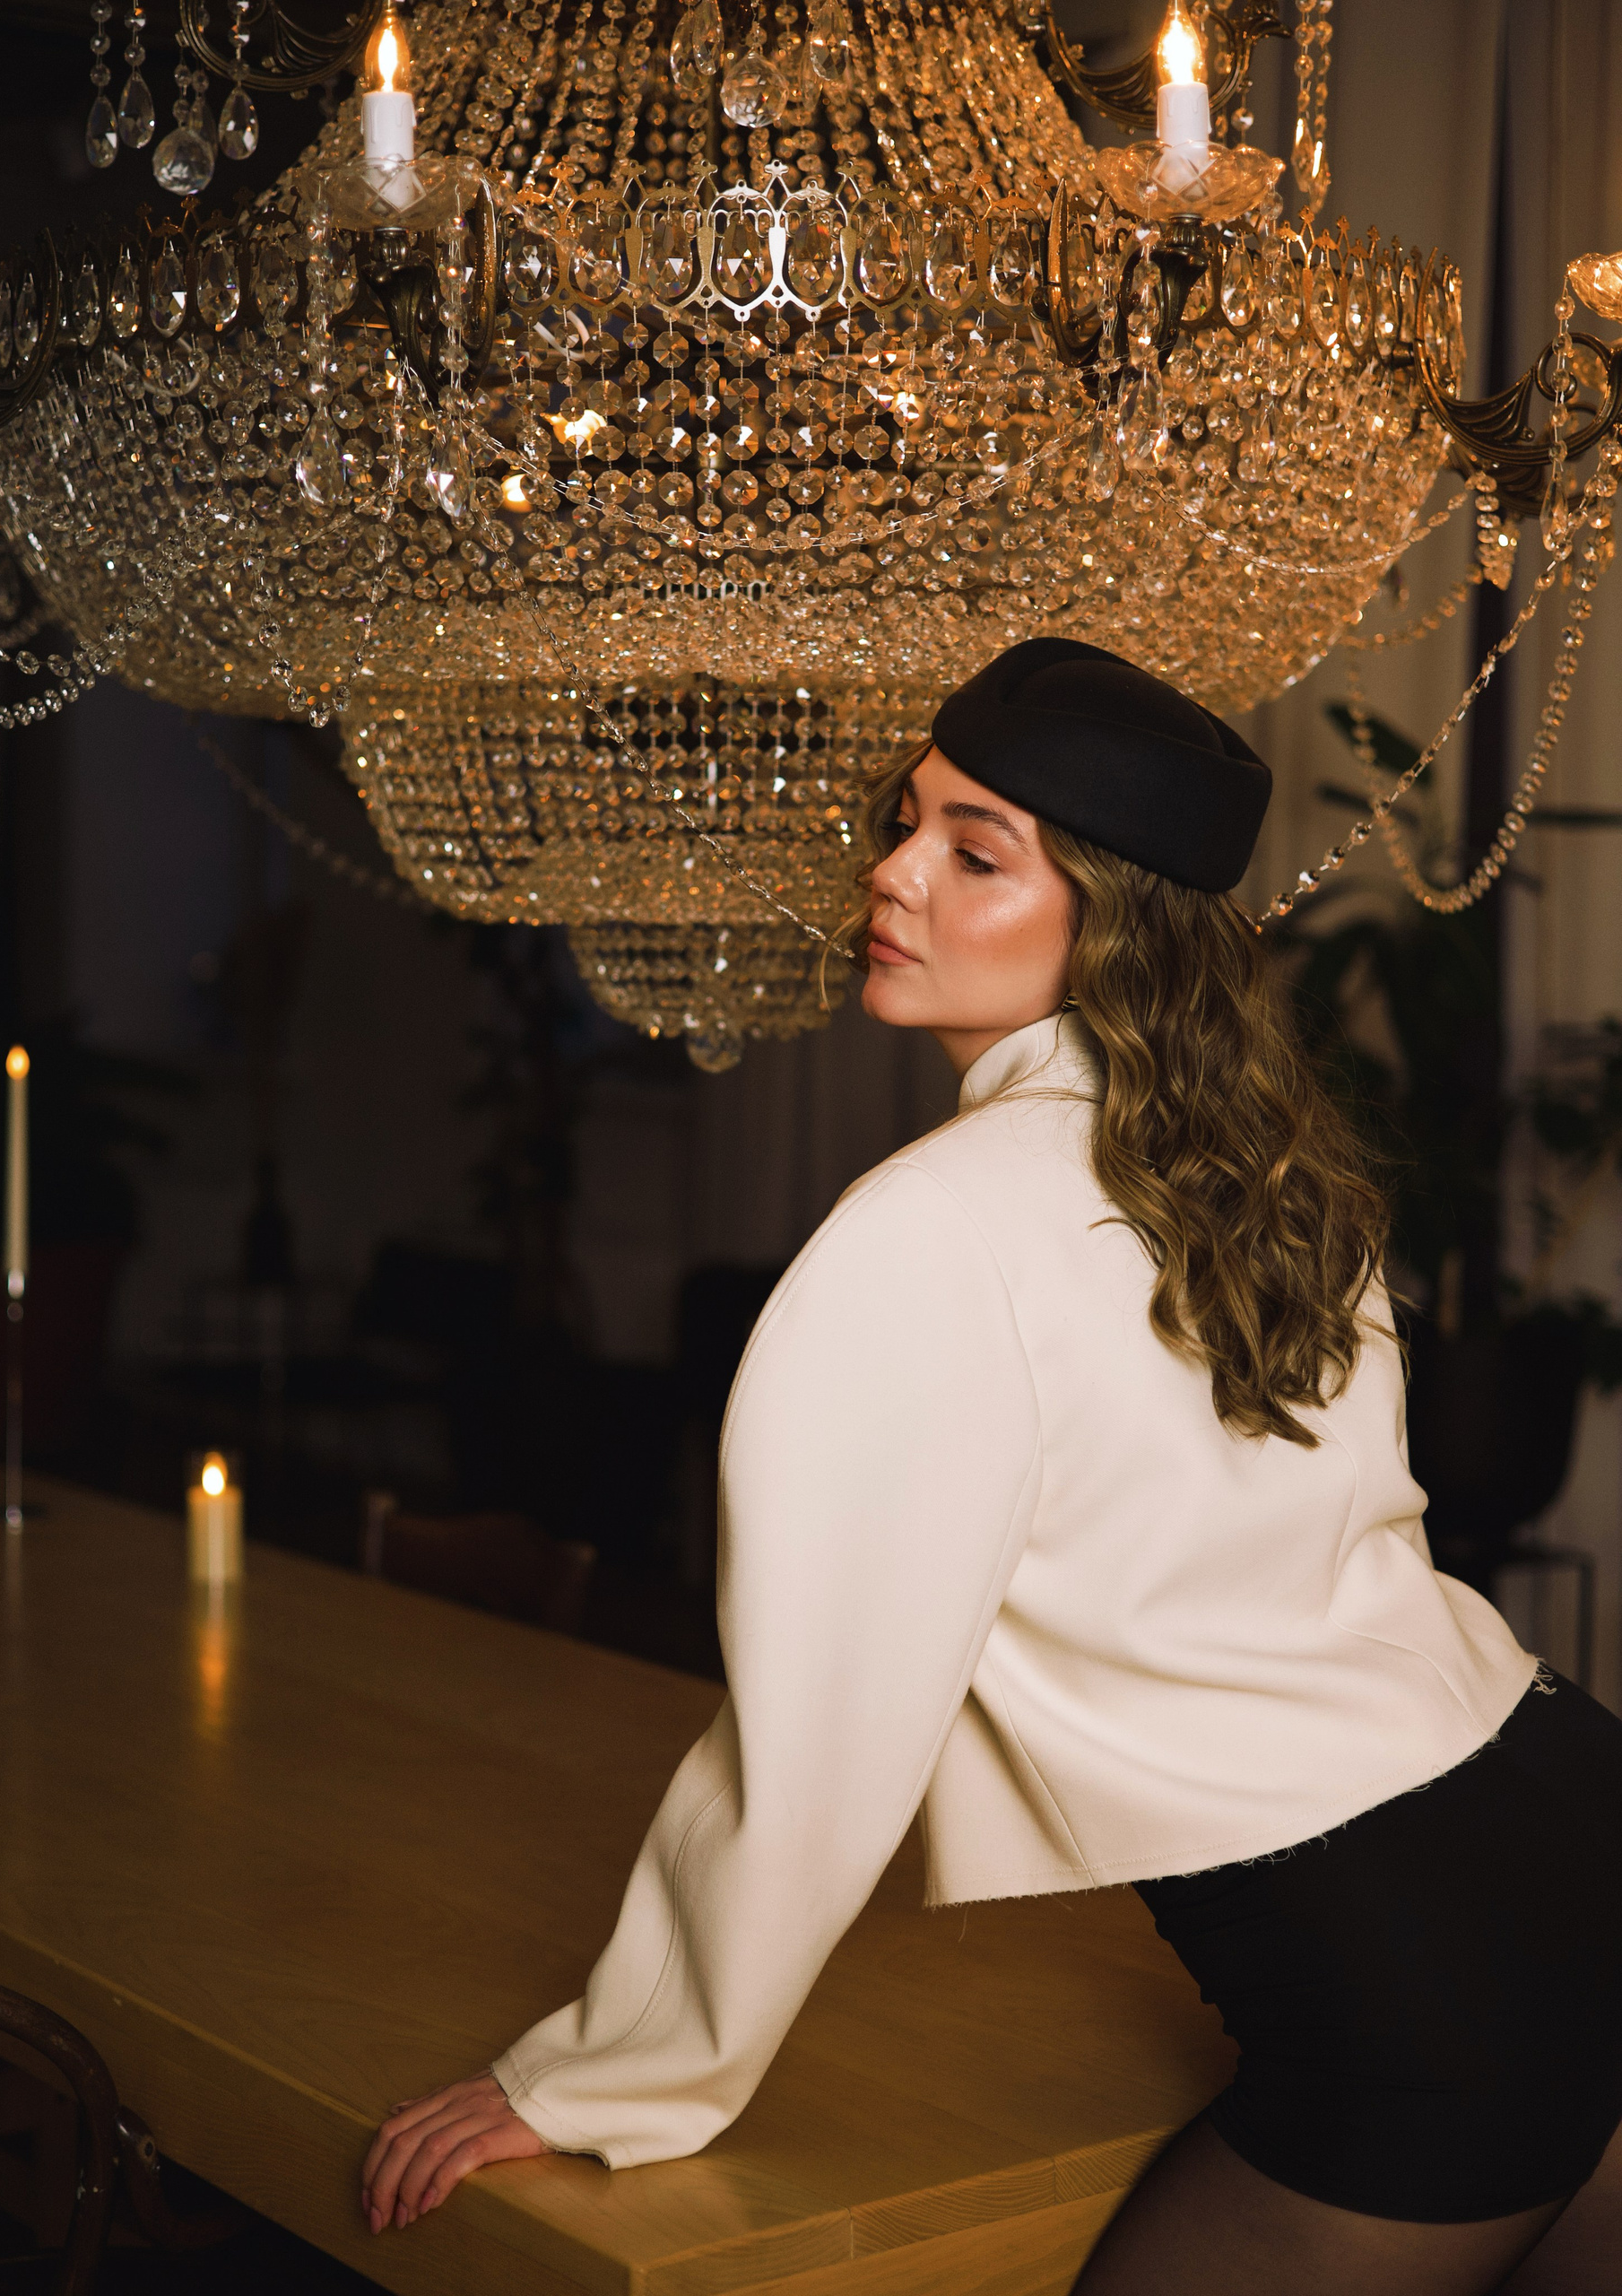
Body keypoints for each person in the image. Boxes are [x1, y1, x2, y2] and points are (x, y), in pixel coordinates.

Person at [360, 639, 1622, 2293]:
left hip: (1401, 1978)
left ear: (1111, 922)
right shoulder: (1266, 1174)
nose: (892, 874)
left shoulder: (931, 1230)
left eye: (975, 853)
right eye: (908, 824)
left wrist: (606, 2077)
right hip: (1567, 1807)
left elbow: (811, 1745)